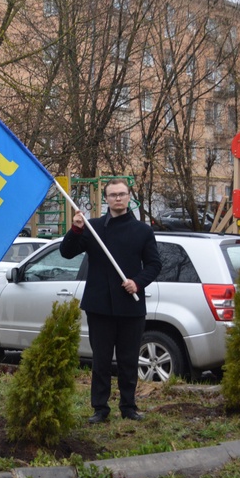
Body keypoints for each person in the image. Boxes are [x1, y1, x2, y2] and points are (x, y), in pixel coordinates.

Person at [59, 178, 161, 423]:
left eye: (122, 194)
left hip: (131, 305)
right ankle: (100, 409)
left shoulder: (143, 231)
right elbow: (66, 252)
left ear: (129, 197)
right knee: (101, 360)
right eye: (113, 194)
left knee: (128, 360)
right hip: (100, 306)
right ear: (106, 199)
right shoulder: (93, 228)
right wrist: (75, 230)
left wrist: (137, 282)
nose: (118, 198)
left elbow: (155, 264)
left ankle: (129, 407)